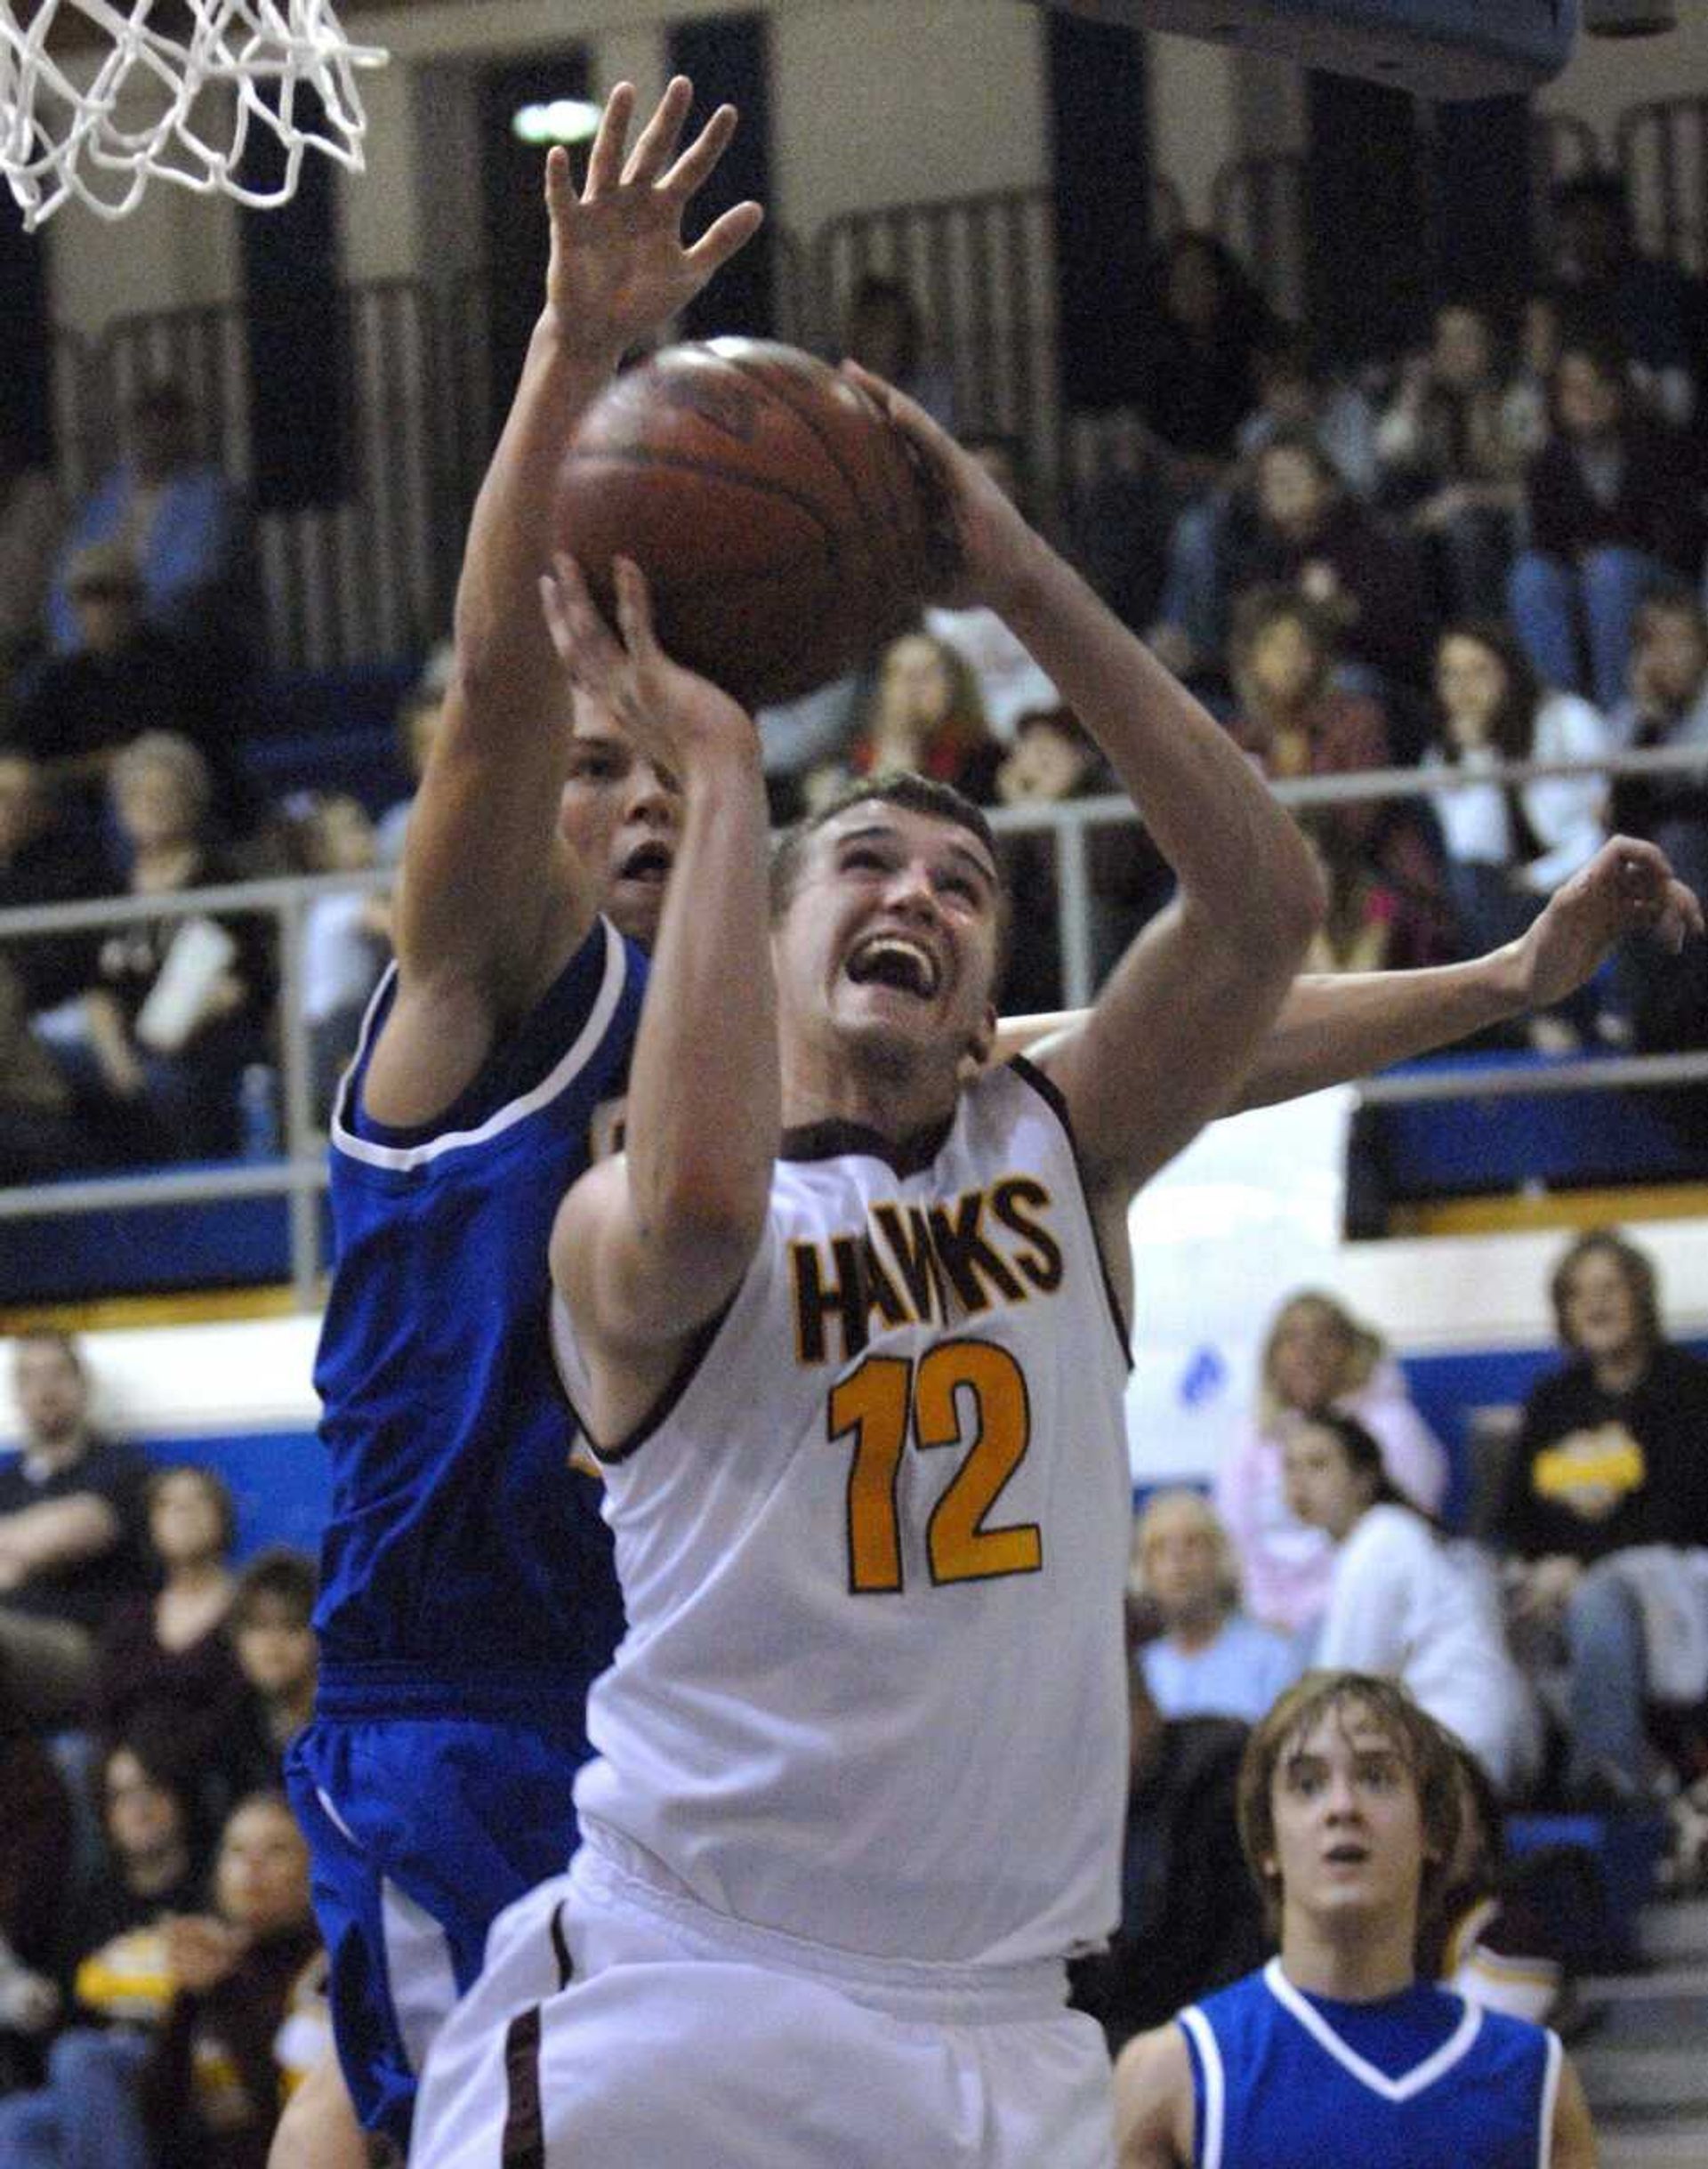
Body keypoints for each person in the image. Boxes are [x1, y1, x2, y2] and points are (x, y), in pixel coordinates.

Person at [409, 338, 1330, 2164]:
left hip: (1007, 2018)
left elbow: (1269, 909)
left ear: (997, 993)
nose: (918, 892)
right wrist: (728, 771)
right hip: (695, 1989)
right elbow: (695, 1213)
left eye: (964, 887)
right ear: (769, 928)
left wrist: (1021, 581)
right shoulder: (620, 1207)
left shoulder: (1057, 1143)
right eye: (870, 865)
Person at [274, 78, 764, 2165]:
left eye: (665, 758)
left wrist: (1482, 990)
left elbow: (1103, 1040)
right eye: (596, 770)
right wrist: (577, 356)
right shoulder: (479, 998)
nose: (635, 792)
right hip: (458, 1708)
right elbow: (489, 690)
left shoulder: (748, 1025)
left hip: (671, 1722)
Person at [1112, 1673, 1597, 2168]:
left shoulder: (1533, 2076)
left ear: (1431, 1829)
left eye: (1376, 1778)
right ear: (1266, 1843)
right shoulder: (1173, 2073)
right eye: (1307, 1784)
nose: (1342, 1807)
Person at [1490, 1228, 1708, 1808]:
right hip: (1556, 1581)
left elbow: (1682, 1512)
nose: (1596, 1304)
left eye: (1610, 1287)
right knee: (1473, 1589)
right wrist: (1531, 1568)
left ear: (1641, 1295)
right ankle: (1496, 1787)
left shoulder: (1687, 1388)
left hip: (1668, 1583)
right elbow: (1514, 1514)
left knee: (1598, 1599)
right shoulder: (1553, 1398)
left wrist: (1581, 1569)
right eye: (1579, 1293)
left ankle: (1606, 1784)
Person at [1283, 1412, 1542, 1796]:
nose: (1299, 1482)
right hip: (1466, 1745)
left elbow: (1340, 1686)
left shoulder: (1381, 1540)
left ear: (1365, 1478)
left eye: (1318, 1465)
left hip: (1455, 1749)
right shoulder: (1391, 1535)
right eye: (1290, 1467)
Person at [1068, 1642, 1268, 2056]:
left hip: (1221, 2039)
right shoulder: (1062, 1813)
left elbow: (1251, 1941)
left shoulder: (1222, 1775)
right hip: (1098, 2052)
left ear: (1147, 1708)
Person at [1215, 1291, 1450, 1641]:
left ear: (1353, 1350)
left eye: (1325, 1336)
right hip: (1266, 1622)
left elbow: (1406, 1532)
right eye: (1292, 1338)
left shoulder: (1393, 1427)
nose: (1308, 1351)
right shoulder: (1251, 1435)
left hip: (1367, 1612)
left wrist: (1325, 1613)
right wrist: (1266, 1615)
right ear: (1272, 1357)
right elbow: (1234, 1539)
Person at [1507, 330, 1705, 714]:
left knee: (1609, 569)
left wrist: (1600, 547)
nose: (1587, 398)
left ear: (1618, 390)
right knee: (1529, 577)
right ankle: (1561, 715)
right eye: (1573, 389)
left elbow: (1680, 534)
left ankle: (1617, 715)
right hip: (1582, 573)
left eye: (1597, 385)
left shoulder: (1658, 444)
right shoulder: (1548, 463)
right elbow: (1547, 541)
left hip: (1659, 574)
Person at [0, 1330, 152, 1730]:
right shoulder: (6, 1483)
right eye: (30, 1378)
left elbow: (61, 1537)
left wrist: (22, 1554)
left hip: (85, 1648)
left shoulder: (120, 1471)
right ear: (16, 1393)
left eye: (57, 1374)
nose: (45, 1390)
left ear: (83, 1385)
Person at [94, 1466, 258, 1810]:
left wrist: (159, 1764)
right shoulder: (130, 1616)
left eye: (198, 1501)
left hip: (218, 1773)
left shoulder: (248, 1611)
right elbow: (103, 1705)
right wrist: (120, 1761)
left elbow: (239, 1707)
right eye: (167, 1504)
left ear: (223, 1516)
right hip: (130, 1777)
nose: (183, 1513)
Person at [1132, 1488, 1301, 1724]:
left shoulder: (1270, 1657)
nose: (1177, 1559)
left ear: (1220, 1558)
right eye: (1161, 1547)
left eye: (1193, 1543)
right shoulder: (1142, 1673)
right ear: (1145, 1571)